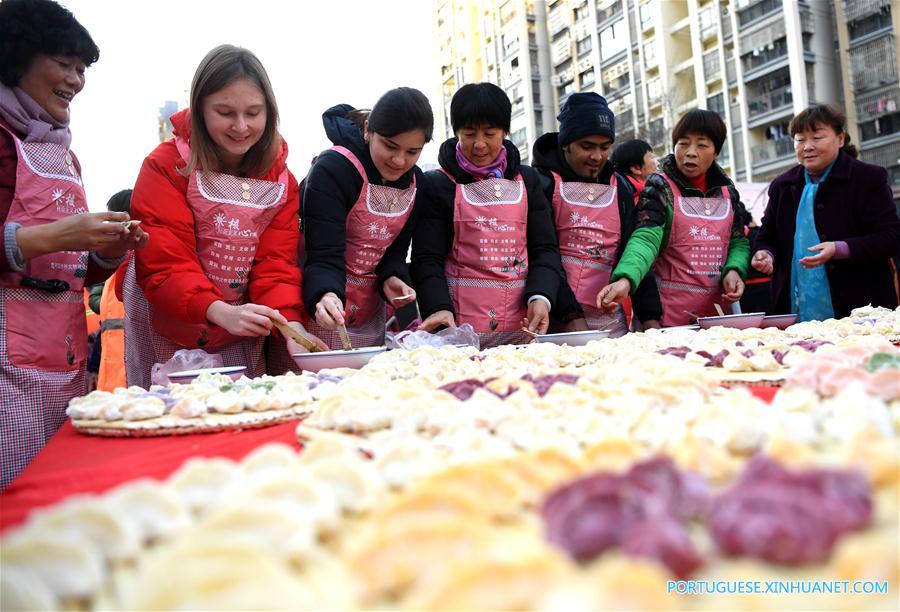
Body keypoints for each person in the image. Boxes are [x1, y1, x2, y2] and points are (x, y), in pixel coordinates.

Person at [0, 0, 147, 488]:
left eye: (81, 69)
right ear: (17, 59)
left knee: (51, 489)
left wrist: (109, 250)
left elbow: (72, 273)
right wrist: (61, 234)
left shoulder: (64, 155)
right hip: (7, 361)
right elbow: (54, 243)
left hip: (59, 357)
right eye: (63, 64)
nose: (75, 80)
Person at [125, 45, 321, 388]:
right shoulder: (166, 166)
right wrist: (220, 311)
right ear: (200, 108)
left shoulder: (280, 180)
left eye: (253, 113)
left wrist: (292, 328)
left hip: (240, 323)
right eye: (225, 112)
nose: (241, 126)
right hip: (173, 320)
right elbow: (166, 263)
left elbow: (275, 264)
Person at [411, 83, 562, 347]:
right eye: (469, 134)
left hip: (521, 331)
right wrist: (438, 307)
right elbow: (427, 258)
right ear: (456, 132)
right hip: (458, 331)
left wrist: (541, 296)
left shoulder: (527, 181)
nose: (479, 144)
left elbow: (545, 249)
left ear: (505, 132)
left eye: (490, 134)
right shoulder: (439, 184)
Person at [301, 88, 432, 349]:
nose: (399, 160)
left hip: (369, 314)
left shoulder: (416, 183)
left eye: (412, 152)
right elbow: (323, 253)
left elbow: (395, 252)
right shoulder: (334, 169)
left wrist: (392, 278)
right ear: (368, 129)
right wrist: (325, 293)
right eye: (390, 146)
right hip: (320, 305)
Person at [597, 109, 750, 327]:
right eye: (683, 143)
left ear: (716, 151)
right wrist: (625, 279)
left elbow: (738, 241)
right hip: (666, 318)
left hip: (716, 318)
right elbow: (645, 239)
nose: (691, 152)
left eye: (702, 145)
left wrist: (734, 269)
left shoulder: (728, 193)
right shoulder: (660, 187)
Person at [751, 104, 900, 320]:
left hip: (861, 308)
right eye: (800, 140)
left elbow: (891, 237)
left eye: (817, 138)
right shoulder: (783, 185)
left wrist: (839, 248)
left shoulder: (867, 178)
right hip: (794, 307)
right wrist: (765, 254)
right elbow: (767, 236)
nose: (807, 147)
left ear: (840, 139)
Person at [531, 93, 661, 335]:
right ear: (566, 144)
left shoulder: (620, 187)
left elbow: (632, 250)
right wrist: (571, 315)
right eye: (587, 146)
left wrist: (651, 318)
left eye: (604, 147)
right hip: (555, 323)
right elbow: (542, 254)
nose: (597, 156)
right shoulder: (542, 183)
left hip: (610, 325)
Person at [611, 138, 658, 203]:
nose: (658, 163)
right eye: (652, 157)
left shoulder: (617, 196)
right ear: (636, 168)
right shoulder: (642, 203)